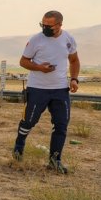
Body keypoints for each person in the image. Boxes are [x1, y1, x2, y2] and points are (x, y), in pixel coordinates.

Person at [12, 10, 80, 174]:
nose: (45, 28)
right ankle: (19, 146)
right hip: (37, 89)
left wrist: (74, 79)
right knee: (29, 121)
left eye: (49, 26)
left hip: (60, 90)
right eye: (43, 24)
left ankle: (54, 160)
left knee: (61, 125)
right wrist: (39, 68)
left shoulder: (68, 39)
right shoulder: (36, 39)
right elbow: (23, 61)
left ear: (59, 25)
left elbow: (74, 60)